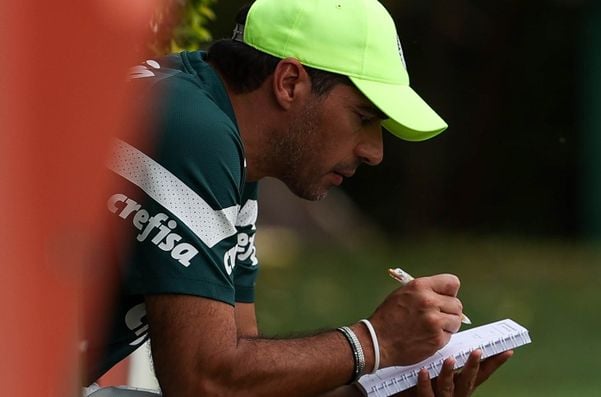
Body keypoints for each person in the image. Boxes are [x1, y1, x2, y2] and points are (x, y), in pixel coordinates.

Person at [85, 0, 513, 396]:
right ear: (290, 83)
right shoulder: (192, 130)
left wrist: (376, 389)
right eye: (363, 117)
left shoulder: (228, 138)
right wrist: (375, 341)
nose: (375, 151)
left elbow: (240, 381)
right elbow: (204, 379)